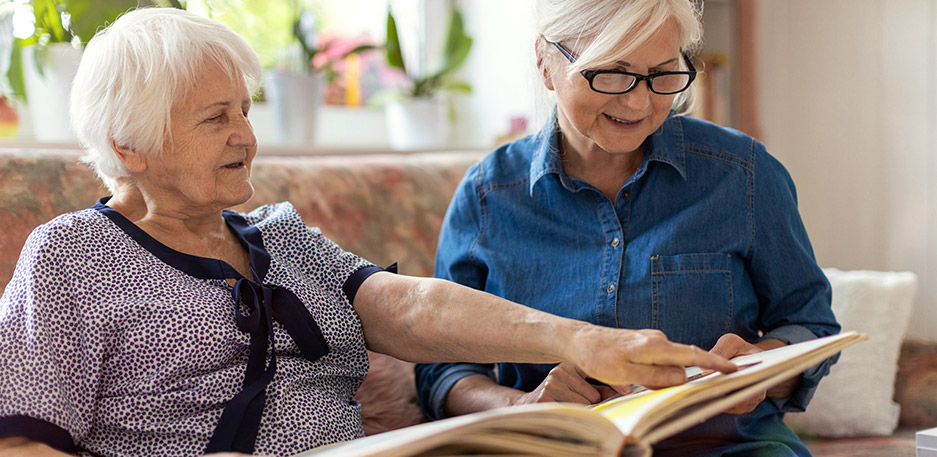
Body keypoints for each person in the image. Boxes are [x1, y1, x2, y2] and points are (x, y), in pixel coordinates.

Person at [0, 7, 738, 457]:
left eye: (245, 111)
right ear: (128, 146)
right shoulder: (71, 257)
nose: (246, 137)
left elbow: (407, 307)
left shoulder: (277, 235)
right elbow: (20, 442)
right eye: (214, 118)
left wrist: (578, 339)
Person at [415, 0, 841, 456]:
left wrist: (764, 366)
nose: (639, 102)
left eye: (662, 74)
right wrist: (522, 405)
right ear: (546, 62)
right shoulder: (488, 196)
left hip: (730, 447)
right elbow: (442, 368)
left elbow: (809, 323)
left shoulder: (742, 174)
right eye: (611, 73)